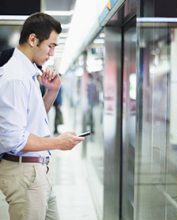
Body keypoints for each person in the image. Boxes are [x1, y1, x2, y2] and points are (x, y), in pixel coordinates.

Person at [0, 12, 85, 220]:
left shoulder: (27, 73)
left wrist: (52, 92)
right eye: (51, 45)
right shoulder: (15, 77)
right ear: (32, 39)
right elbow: (13, 138)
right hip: (24, 173)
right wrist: (58, 142)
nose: (52, 53)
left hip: (36, 171)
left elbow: (32, 122)